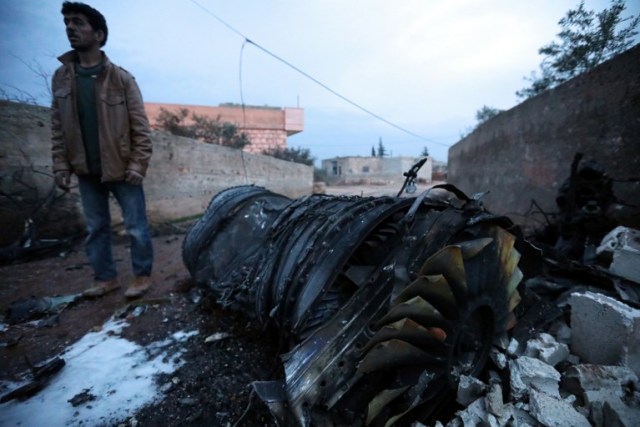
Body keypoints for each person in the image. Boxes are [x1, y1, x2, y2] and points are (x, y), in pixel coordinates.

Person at [51, 2, 154, 299]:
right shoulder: (62, 77)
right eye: (68, 23)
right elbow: (57, 126)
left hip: (122, 168)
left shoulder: (121, 79)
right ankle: (105, 278)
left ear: (98, 34)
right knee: (96, 228)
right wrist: (60, 164)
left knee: (136, 226)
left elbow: (141, 128)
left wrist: (138, 165)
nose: (70, 28)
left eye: (78, 23)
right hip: (85, 169)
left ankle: (142, 275)